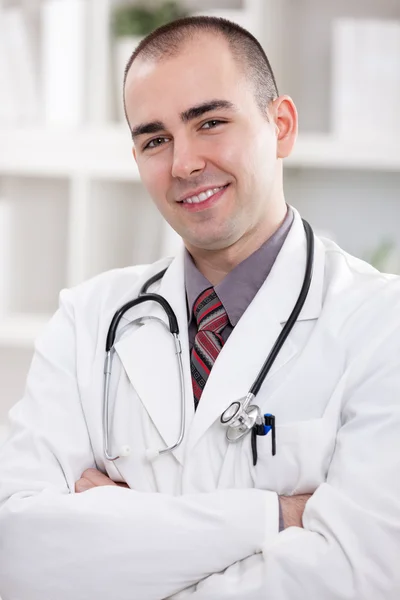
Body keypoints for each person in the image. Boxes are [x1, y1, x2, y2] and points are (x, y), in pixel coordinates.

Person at [0, 15, 399, 600]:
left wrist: (119, 528)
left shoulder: (383, 325)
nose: (183, 163)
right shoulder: (87, 320)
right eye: (154, 139)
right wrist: (277, 517)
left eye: (210, 122)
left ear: (281, 125)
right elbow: (19, 555)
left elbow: (359, 576)